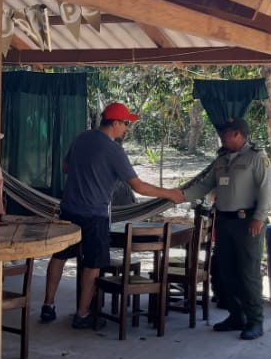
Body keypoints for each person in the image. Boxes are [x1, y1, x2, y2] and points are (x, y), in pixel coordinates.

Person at [40, 102, 186, 329]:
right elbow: (138, 186)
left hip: (68, 210)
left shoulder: (82, 138)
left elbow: (66, 167)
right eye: (126, 123)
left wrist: (86, 171)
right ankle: (82, 314)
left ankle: (48, 306)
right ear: (115, 123)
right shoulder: (114, 150)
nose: (127, 128)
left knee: (59, 256)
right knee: (93, 264)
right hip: (94, 214)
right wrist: (170, 194)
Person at [203, 117, 271, 340]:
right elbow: (206, 185)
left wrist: (259, 218)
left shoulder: (256, 158)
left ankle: (255, 321)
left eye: (225, 133)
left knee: (248, 273)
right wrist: (178, 195)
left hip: (248, 222)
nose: (221, 137)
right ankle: (236, 316)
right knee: (227, 271)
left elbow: (266, 191)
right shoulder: (221, 159)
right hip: (224, 222)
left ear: (237, 134)